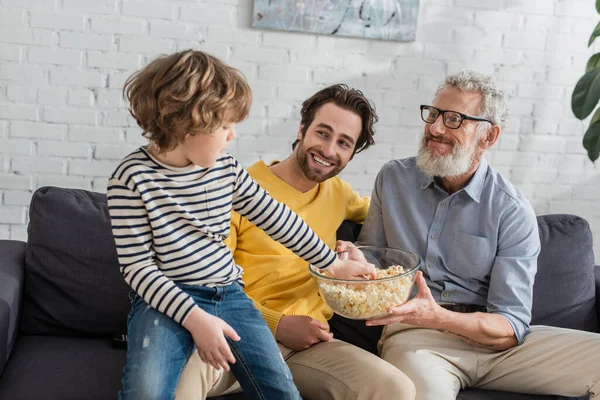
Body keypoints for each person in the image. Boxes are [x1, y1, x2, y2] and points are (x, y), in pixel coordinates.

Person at [106, 50, 377, 400]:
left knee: (281, 391)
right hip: (162, 302)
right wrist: (193, 317)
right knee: (146, 391)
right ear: (185, 121)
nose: (232, 135)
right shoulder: (131, 179)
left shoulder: (226, 171)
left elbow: (279, 219)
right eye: (225, 125)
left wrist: (333, 263)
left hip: (229, 296)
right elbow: (138, 269)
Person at [338, 70, 600, 399]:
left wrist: (441, 316)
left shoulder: (510, 209)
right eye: (433, 114)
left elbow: (510, 325)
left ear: (488, 137)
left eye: (454, 119)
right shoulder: (394, 179)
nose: (434, 128)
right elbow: (374, 255)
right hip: (417, 337)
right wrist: (357, 259)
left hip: (498, 346)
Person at [176, 84, 416, 399]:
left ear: (352, 153)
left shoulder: (339, 195)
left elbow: (385, 210)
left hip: (310, 349)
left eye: (344, 143)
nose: (330, 150)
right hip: (235, 333)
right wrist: (277, 324)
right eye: (323, 133)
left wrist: (357, 252)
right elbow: (208, 289)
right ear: (302, 129)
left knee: (396, 388)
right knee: (178, 376)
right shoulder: (237, 191)